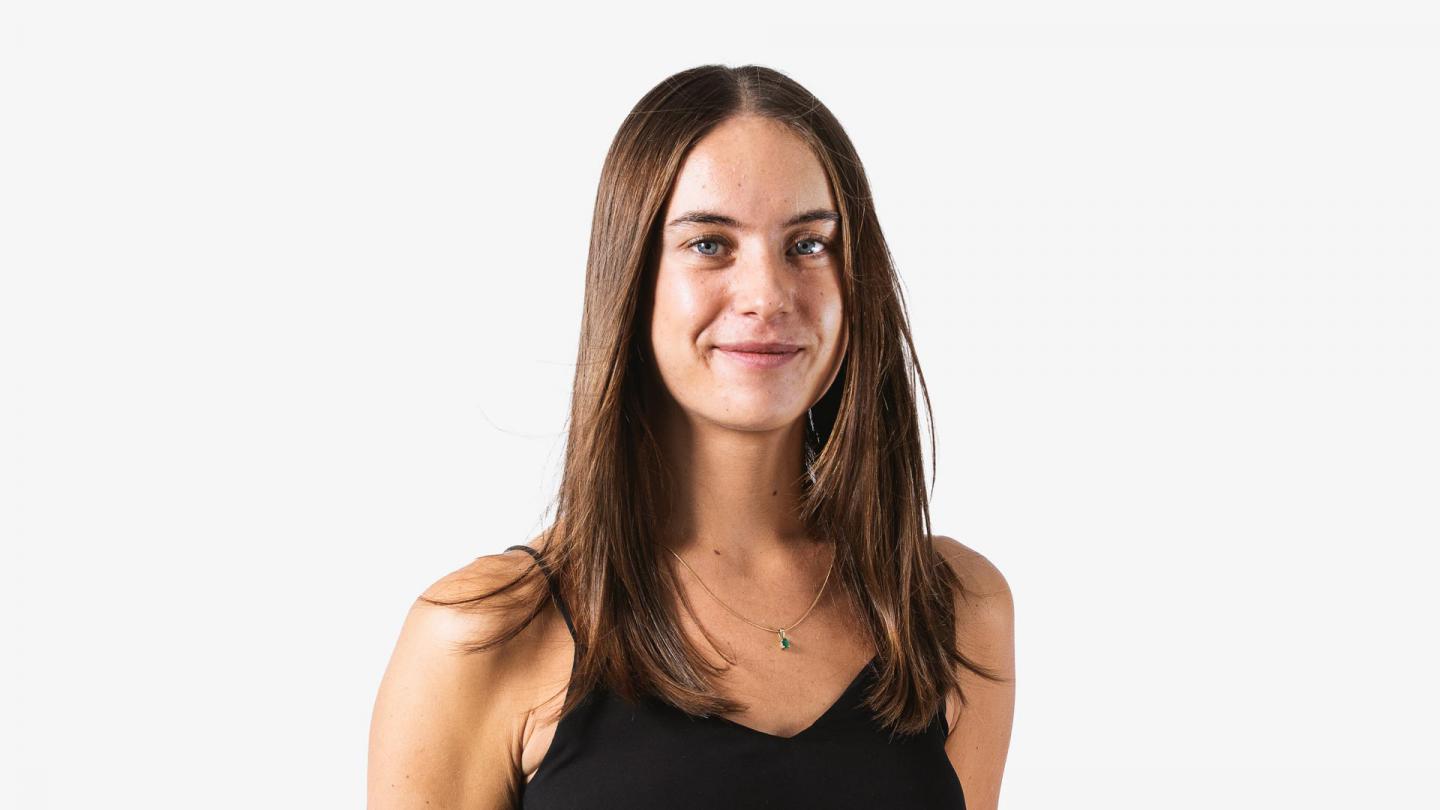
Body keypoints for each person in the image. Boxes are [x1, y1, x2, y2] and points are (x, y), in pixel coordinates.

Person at [368, 63, 1015, 809]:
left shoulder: (948, 611)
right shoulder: (485, 636)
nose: (767, 295)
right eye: (710, 244)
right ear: (633, 277)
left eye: (808, 245)